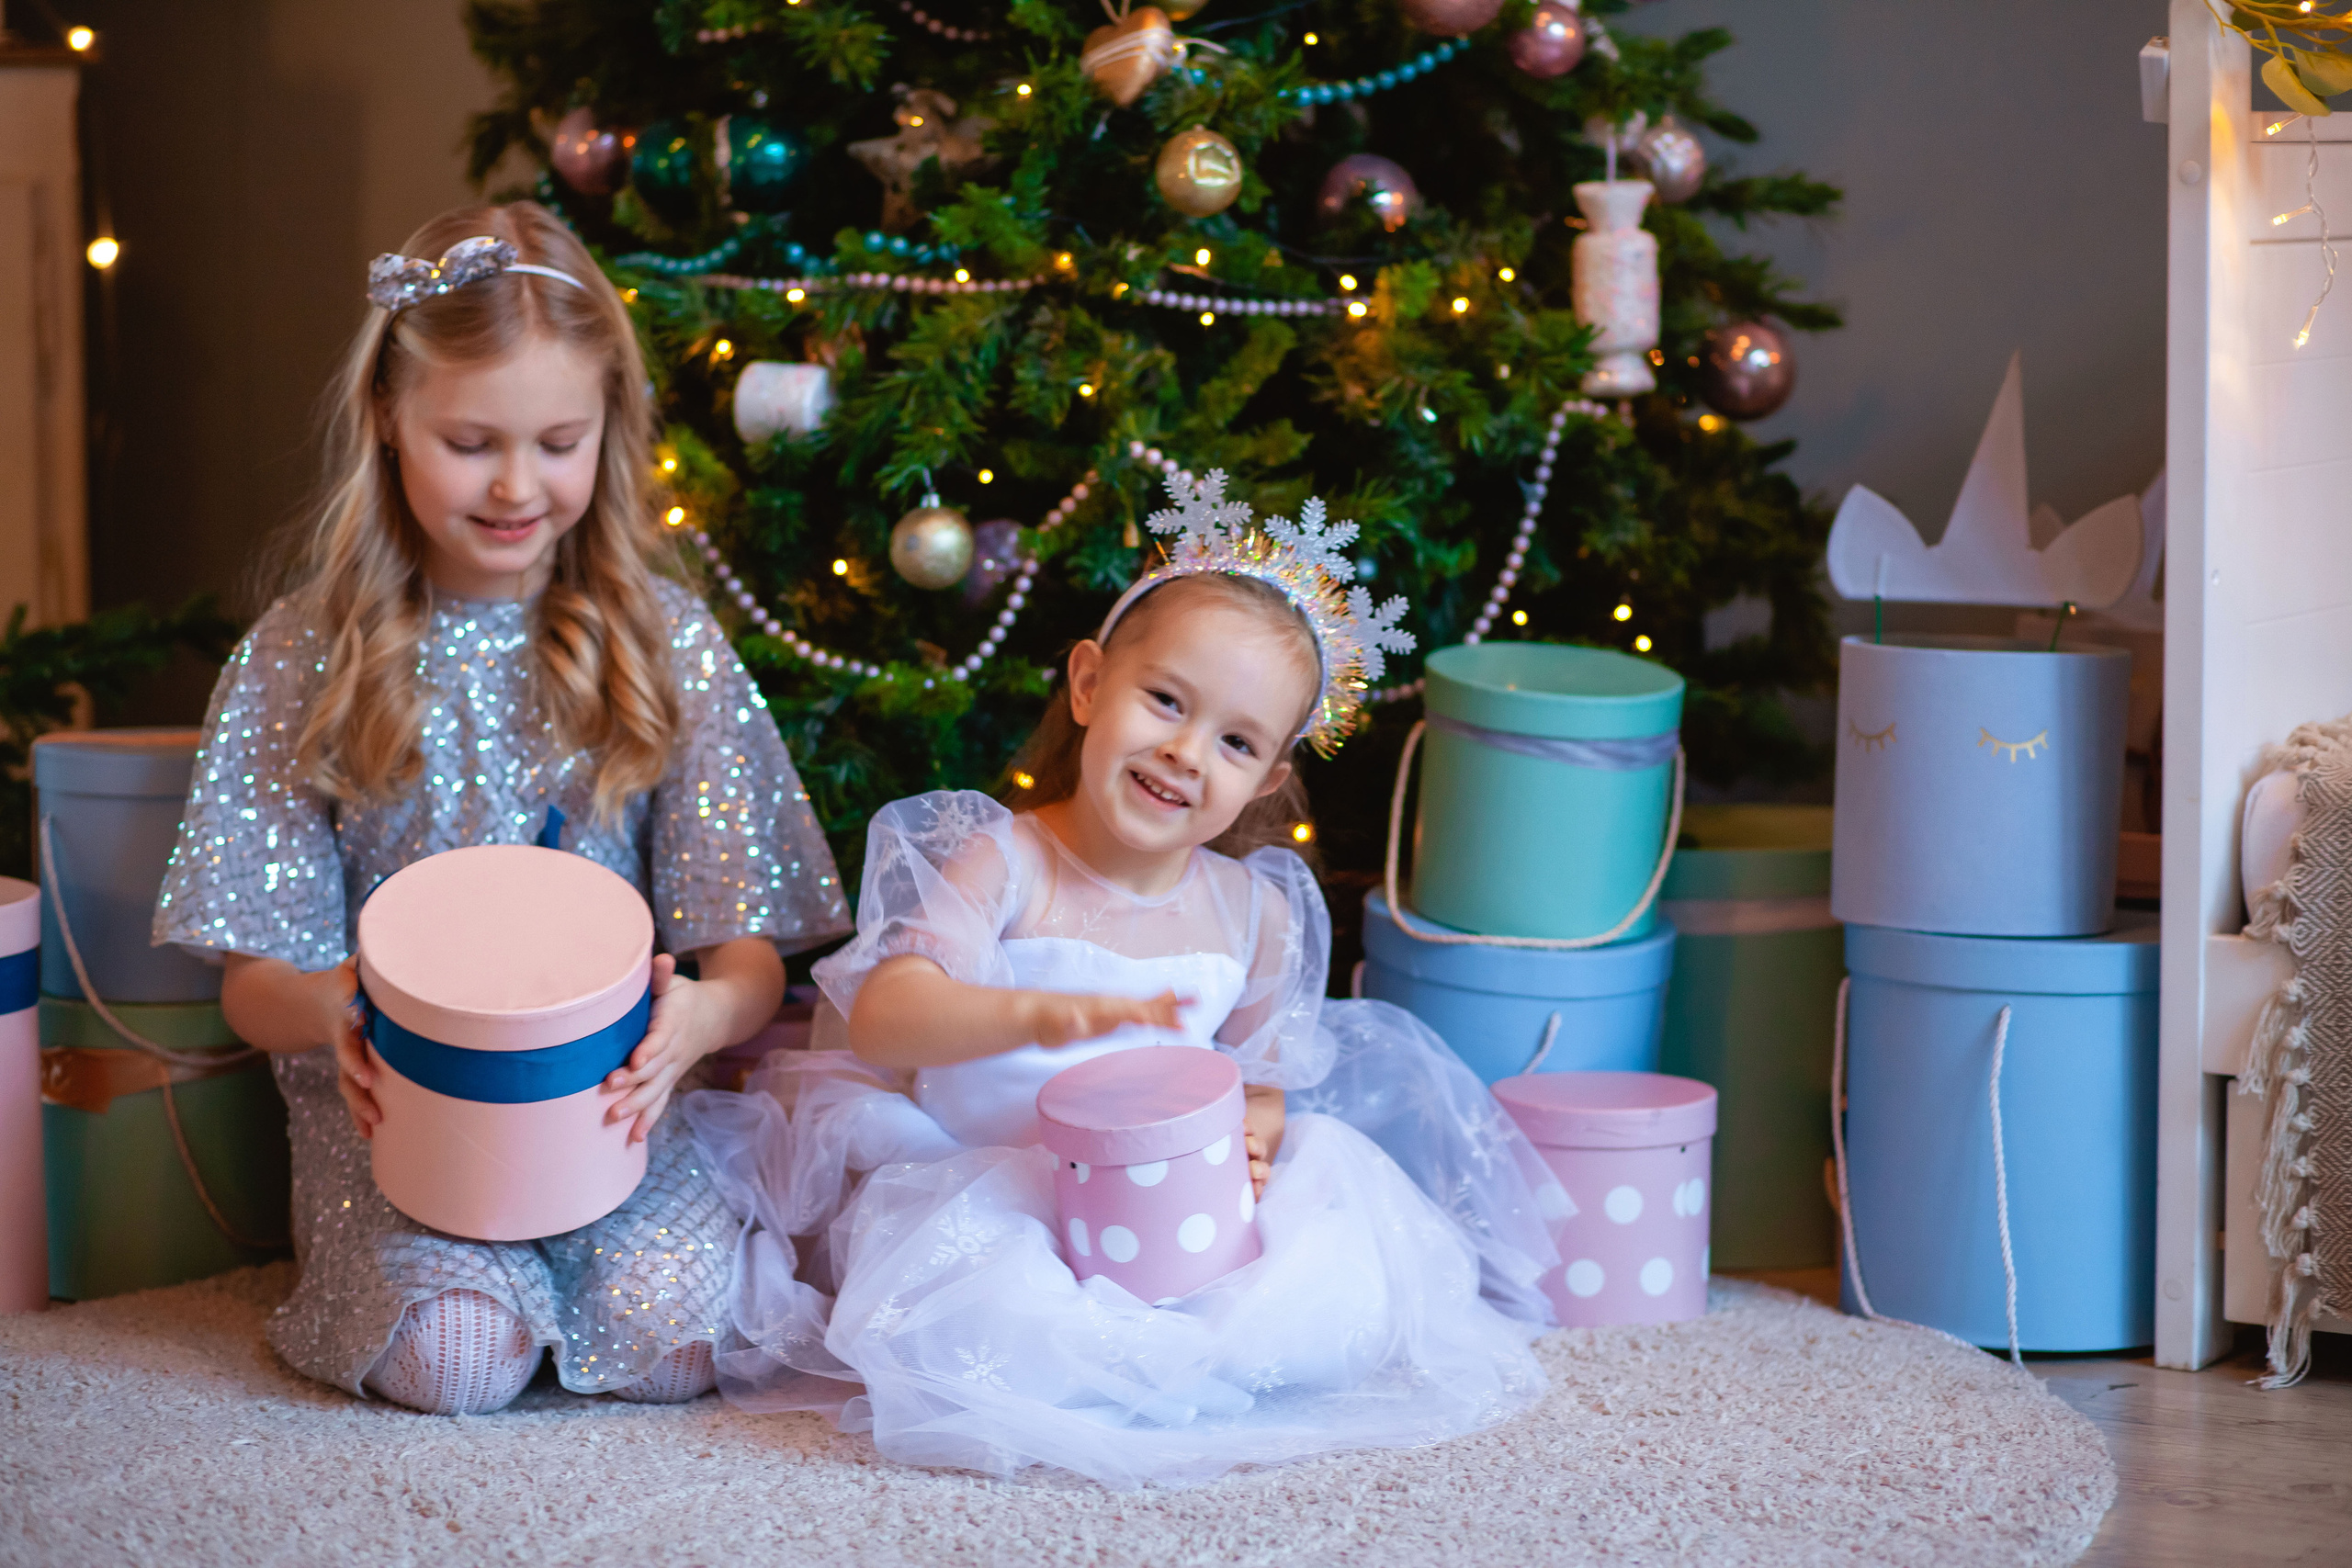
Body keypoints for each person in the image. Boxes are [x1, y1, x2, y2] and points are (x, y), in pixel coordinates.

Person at [684, 473, 1565, 1488]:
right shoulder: (1000, 859)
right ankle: (1108, 1348)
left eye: (1235, 742)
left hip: (1155, 1206)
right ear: (1091, 683)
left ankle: (1173, 1331)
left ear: (1270, 777)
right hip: (988, 1183)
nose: (1186, 753)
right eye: (1165, 701)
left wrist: (1253, 1145)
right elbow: (883, 1018)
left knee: (1330, 1261)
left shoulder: (1252, 912)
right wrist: (1037, 1013)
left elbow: (1259, 1080)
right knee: (992, 1317)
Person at [152, 202, 852, 1416]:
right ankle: (464, 1294)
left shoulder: (663, 640)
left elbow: (742, 951)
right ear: (389, 417)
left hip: (608, 1108)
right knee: (457, 1358)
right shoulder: (304, 652)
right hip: (398, 1118)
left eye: (558, 440)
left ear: (608, 431)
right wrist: (333, 1009)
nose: (518, 484)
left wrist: (706, 1017)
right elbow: (252, 980)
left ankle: (584, 1277)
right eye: (472, 441)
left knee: (675, 1337)